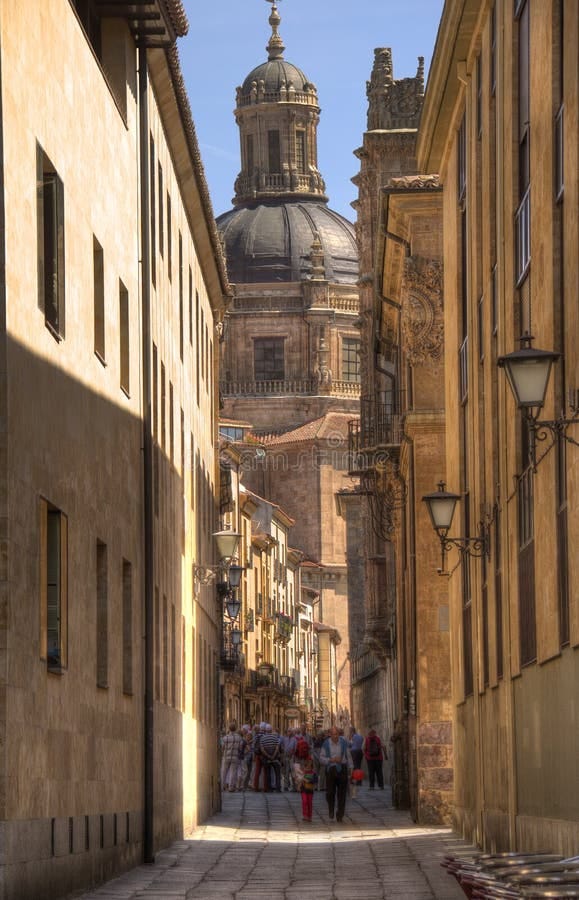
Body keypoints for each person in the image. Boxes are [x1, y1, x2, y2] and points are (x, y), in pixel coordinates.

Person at [320, 725, 352, 822]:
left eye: (337, 734)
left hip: (342, 769)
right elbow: (321, 758)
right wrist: (331, 759)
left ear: (339, 734)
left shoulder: (343, 743)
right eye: (333, 734)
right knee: (330, 792)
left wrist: (351, 768)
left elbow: (348, 755)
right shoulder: (326, 744)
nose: (335, 736)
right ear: (330, 734)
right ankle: (331, 809)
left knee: (342, 793)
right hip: (331, 769)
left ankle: (340, 814)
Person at [220, 722, 244, 792]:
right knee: (233, 772)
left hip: (226, 756)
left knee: (224, 771)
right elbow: (240, 748)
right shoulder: (239, 738)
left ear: (229, 729)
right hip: (235, 756)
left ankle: (222, 786)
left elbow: (223, 747)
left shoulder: (225, 738)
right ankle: (231, 787)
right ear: (235, 729)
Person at [260, 723, 282, 791]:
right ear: (271, 730)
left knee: (268, 773)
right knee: (277, 774)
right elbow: (277, 748)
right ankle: (278, 788)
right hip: (275, 758)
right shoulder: (275, 737)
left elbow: (262, 749)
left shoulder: (262, 738)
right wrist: (273, 756)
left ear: (265, 730)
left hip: (267, 759)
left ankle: (269, 788)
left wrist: (268, 756)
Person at [298, 756, 317, 821]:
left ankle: (309, 816)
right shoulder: (303, 773)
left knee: (309, 802)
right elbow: (299, 780)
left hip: (310, 790)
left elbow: (315, 781)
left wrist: (307, 780)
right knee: (304, 801)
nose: (308, 768)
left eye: (309, 766)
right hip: (303, 789)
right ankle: (305, 815)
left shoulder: (313, 773)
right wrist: (299, 784)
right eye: (306, 766)